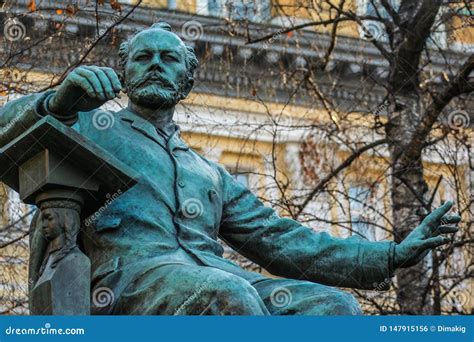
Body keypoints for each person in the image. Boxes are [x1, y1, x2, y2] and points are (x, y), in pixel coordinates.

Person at [0, 22, 460, 315]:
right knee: (229, 297)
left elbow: (285, 241)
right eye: (143, 57)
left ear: (186, 79)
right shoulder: (89, 122)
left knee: (332, 308)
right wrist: (54, 101)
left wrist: (392, 255)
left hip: (207, 277)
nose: (156, 65)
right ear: (124, 72)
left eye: (168, 58)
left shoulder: (208, 172)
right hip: (126, 282)